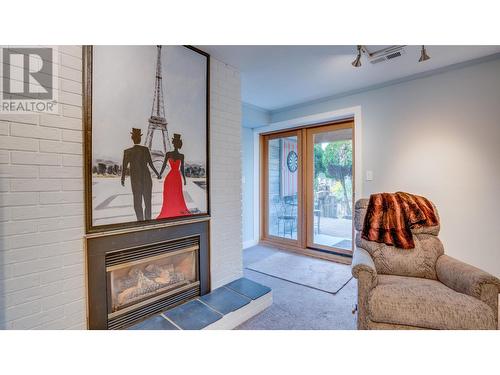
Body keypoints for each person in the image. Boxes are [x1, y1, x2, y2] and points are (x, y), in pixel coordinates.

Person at [121, 128, 160, 221]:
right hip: (147, 178)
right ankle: (148, 221)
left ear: (132, 138)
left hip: (135, 180)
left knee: (137, 202)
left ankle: (140, 221)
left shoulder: (127, 151)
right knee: (148, 202)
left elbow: (124, 167)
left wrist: (122, 178)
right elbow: (151, 164)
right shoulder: (145, 150)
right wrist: (158, 174)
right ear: (140, 139)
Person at [156, 133, 191, 218]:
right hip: (175, 177)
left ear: (173, 143)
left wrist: (185, 179)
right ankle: (173, 211)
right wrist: (184, 179)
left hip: (172, 177)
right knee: (174, 195)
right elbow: (180, 168)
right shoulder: (180, 155)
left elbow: (166, 165)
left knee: (173, 195)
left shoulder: (170, 154)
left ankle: (171, 211)